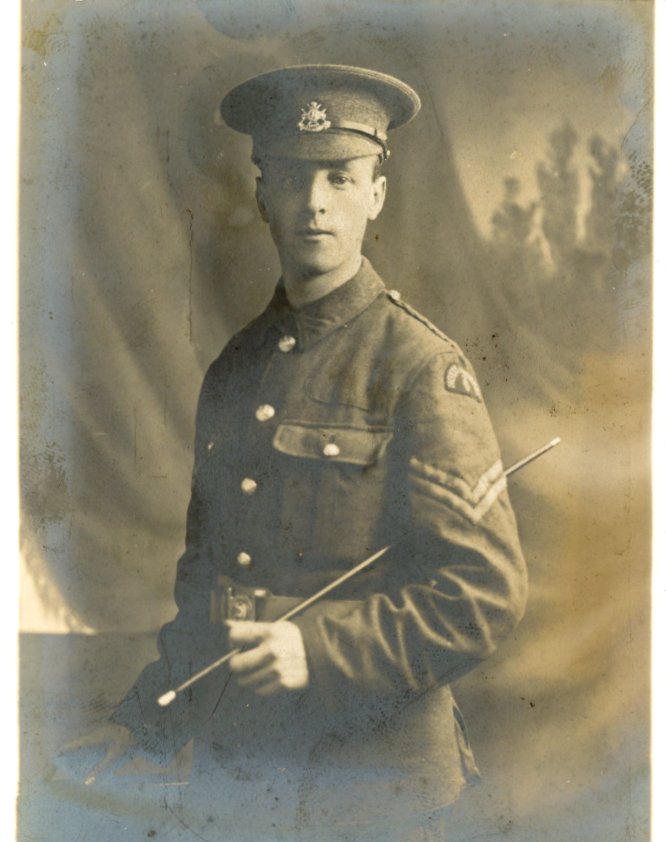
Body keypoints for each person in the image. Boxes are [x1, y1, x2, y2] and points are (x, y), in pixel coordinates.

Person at [58, 64, 527, 841]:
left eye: (340, 177)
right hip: (242, 780)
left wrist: (320, 647)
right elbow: (210, 592)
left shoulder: (418, 367)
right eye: (293, 177)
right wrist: (140, 723)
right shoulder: (235, 371)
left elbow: (483, 594)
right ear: (262, 194)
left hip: (373, 793)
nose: (315, 201)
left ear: (376, 194)